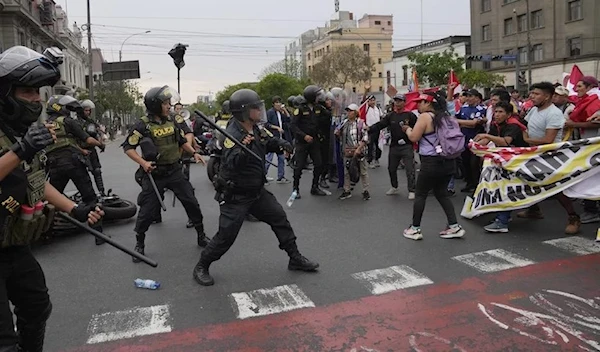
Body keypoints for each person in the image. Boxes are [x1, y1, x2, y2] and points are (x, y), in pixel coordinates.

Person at [0, 45, 104, 352]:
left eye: (38, 92)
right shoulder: (21, 140)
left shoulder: (19, 132)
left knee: (36, 307)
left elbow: (35, 181)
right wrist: (21, 151)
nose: (36, 99)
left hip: (12, 244)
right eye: (28, 92)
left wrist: (77, 209)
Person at [192, 88, 319, 286]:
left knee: (279, 219)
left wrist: (284, 146)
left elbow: (269, 141)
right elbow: (232, 162)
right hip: (235, 195)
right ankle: (202, 265)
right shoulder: (231, 135)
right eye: (255, 108)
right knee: (226, 236)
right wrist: (244, 149)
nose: (259, 111)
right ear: (243, 111)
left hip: (256, 191)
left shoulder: (256, 128)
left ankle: (295, 258)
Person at [122, 85, 210, 263]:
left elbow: (181, 140)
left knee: (191, 202)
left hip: (175, 171)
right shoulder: (142, 124)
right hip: (155, 174)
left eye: (169, 102)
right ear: (155, 105)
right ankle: (139, 243)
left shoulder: (173, 119)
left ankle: (201, 235)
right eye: (165, 103)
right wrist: (144, 163)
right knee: (147, 211)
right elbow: (128, 148)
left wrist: (193, 152)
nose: (169, 106)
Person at [518, 82, 581, 234]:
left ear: (547, 97)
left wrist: (527, 140)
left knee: (555, 188)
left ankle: (574, 217)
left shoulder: (553, 113)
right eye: (531, 93)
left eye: (536, 94)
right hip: (534, 153)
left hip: (551, 156)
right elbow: (524, 125)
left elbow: (548, 140)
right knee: (528, 180)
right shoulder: (534, 109)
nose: (532, 96)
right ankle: (534, 210)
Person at [44, 95, 106, 245]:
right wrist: (100, 144)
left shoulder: (45, 125)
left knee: (53, 200)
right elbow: (87, 139)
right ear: (59, 107)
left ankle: (45, 234)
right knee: (90, 198)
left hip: (54, 166)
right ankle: (99, 235)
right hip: (73, 164)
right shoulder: (68, 122)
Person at [403, 92, 466, 240]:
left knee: (420, 194)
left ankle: (415, 228)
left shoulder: (425, 117)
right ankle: (454, 226)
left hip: (431, 162)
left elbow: (414, 137)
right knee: (441, 193)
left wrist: (407, 129)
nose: (418, 105)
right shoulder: (447, 117)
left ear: (429, 103)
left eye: (421, 102)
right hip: (449, 160)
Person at [474, 101, 528, 233]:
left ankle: (502, 221)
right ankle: (508, 216)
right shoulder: (496, 125)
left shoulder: (513, 126)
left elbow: (505, 141)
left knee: (507, 188)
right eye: (495, 112)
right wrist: (475, 145)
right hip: (507, 161)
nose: (496, 115)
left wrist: (486, 136)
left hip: (520, 160)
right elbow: (488, 140)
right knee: (510, 187)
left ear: (508, 114)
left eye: (500, 112)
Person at [368, 94, 417, 199]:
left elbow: (417, 127)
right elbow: (380, 124)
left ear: (404, 102)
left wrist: (412, 132)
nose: (397, 103)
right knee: (391, 168)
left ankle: (412, 190)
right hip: (394, 146)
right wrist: (369, 128)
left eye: (400, 101)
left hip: (407, 146)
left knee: (410, 169)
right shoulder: (391, 115)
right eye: (396, 101)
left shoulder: (410, 115)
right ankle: (394, 187)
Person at [290, 85, 327, 197]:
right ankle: (295, 189)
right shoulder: (300, 109)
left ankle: (315, 187)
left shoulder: (318, 107)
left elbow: (327, 116)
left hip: (314, 141)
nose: (318, 97)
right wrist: (304, 136)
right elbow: (293, 126)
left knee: (319, 164)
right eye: (316, 95)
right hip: (302, 142)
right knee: (299, 167)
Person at [336, 104, 370, 200]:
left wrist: (359, 149)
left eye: (351, 111)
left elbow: (365, 137)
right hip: (347, 151)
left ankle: (365, 190)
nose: (349, 113)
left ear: (355, 112)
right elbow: (340, 136)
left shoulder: (360, 123)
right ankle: (347, 190)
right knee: (346, 171)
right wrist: (337, 133)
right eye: (348, 111)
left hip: (359, 151)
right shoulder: (344, 123)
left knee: (363, 171)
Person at [78, 99, 106, 195]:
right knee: (81, 175)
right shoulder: (76, 122)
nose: (88, 112)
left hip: (91, 149)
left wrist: (101, 140)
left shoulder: (91, 122)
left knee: (97, 171)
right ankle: (87, 194)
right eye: (86, 110)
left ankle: (102, 191)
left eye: (89, 110)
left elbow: (97, 133)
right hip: (80, 150)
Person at [264, 96, 291, 184]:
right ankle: (263, 176)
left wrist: (285, 110)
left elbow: (288, 119)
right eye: (277, 103)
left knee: (281, 158)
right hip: (272, 138)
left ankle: (281, 177)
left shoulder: (280, 113)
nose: (279, 104)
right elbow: (266, 124)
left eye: (280, 102)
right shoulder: (270, 112)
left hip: (279, 139)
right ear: (273, 104)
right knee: (269, 158)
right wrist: (277, 128)